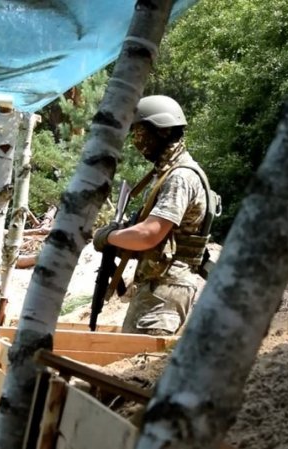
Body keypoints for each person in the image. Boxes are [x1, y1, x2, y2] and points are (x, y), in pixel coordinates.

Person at [92, 95, 218, 335]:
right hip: (159, 287)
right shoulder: (167, 173)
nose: (135, 141)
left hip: (165, 289)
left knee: (137, 357)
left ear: (162, 130)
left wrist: (108, 237)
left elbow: (149, 235)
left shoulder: (179, 177)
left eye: (140, 132)